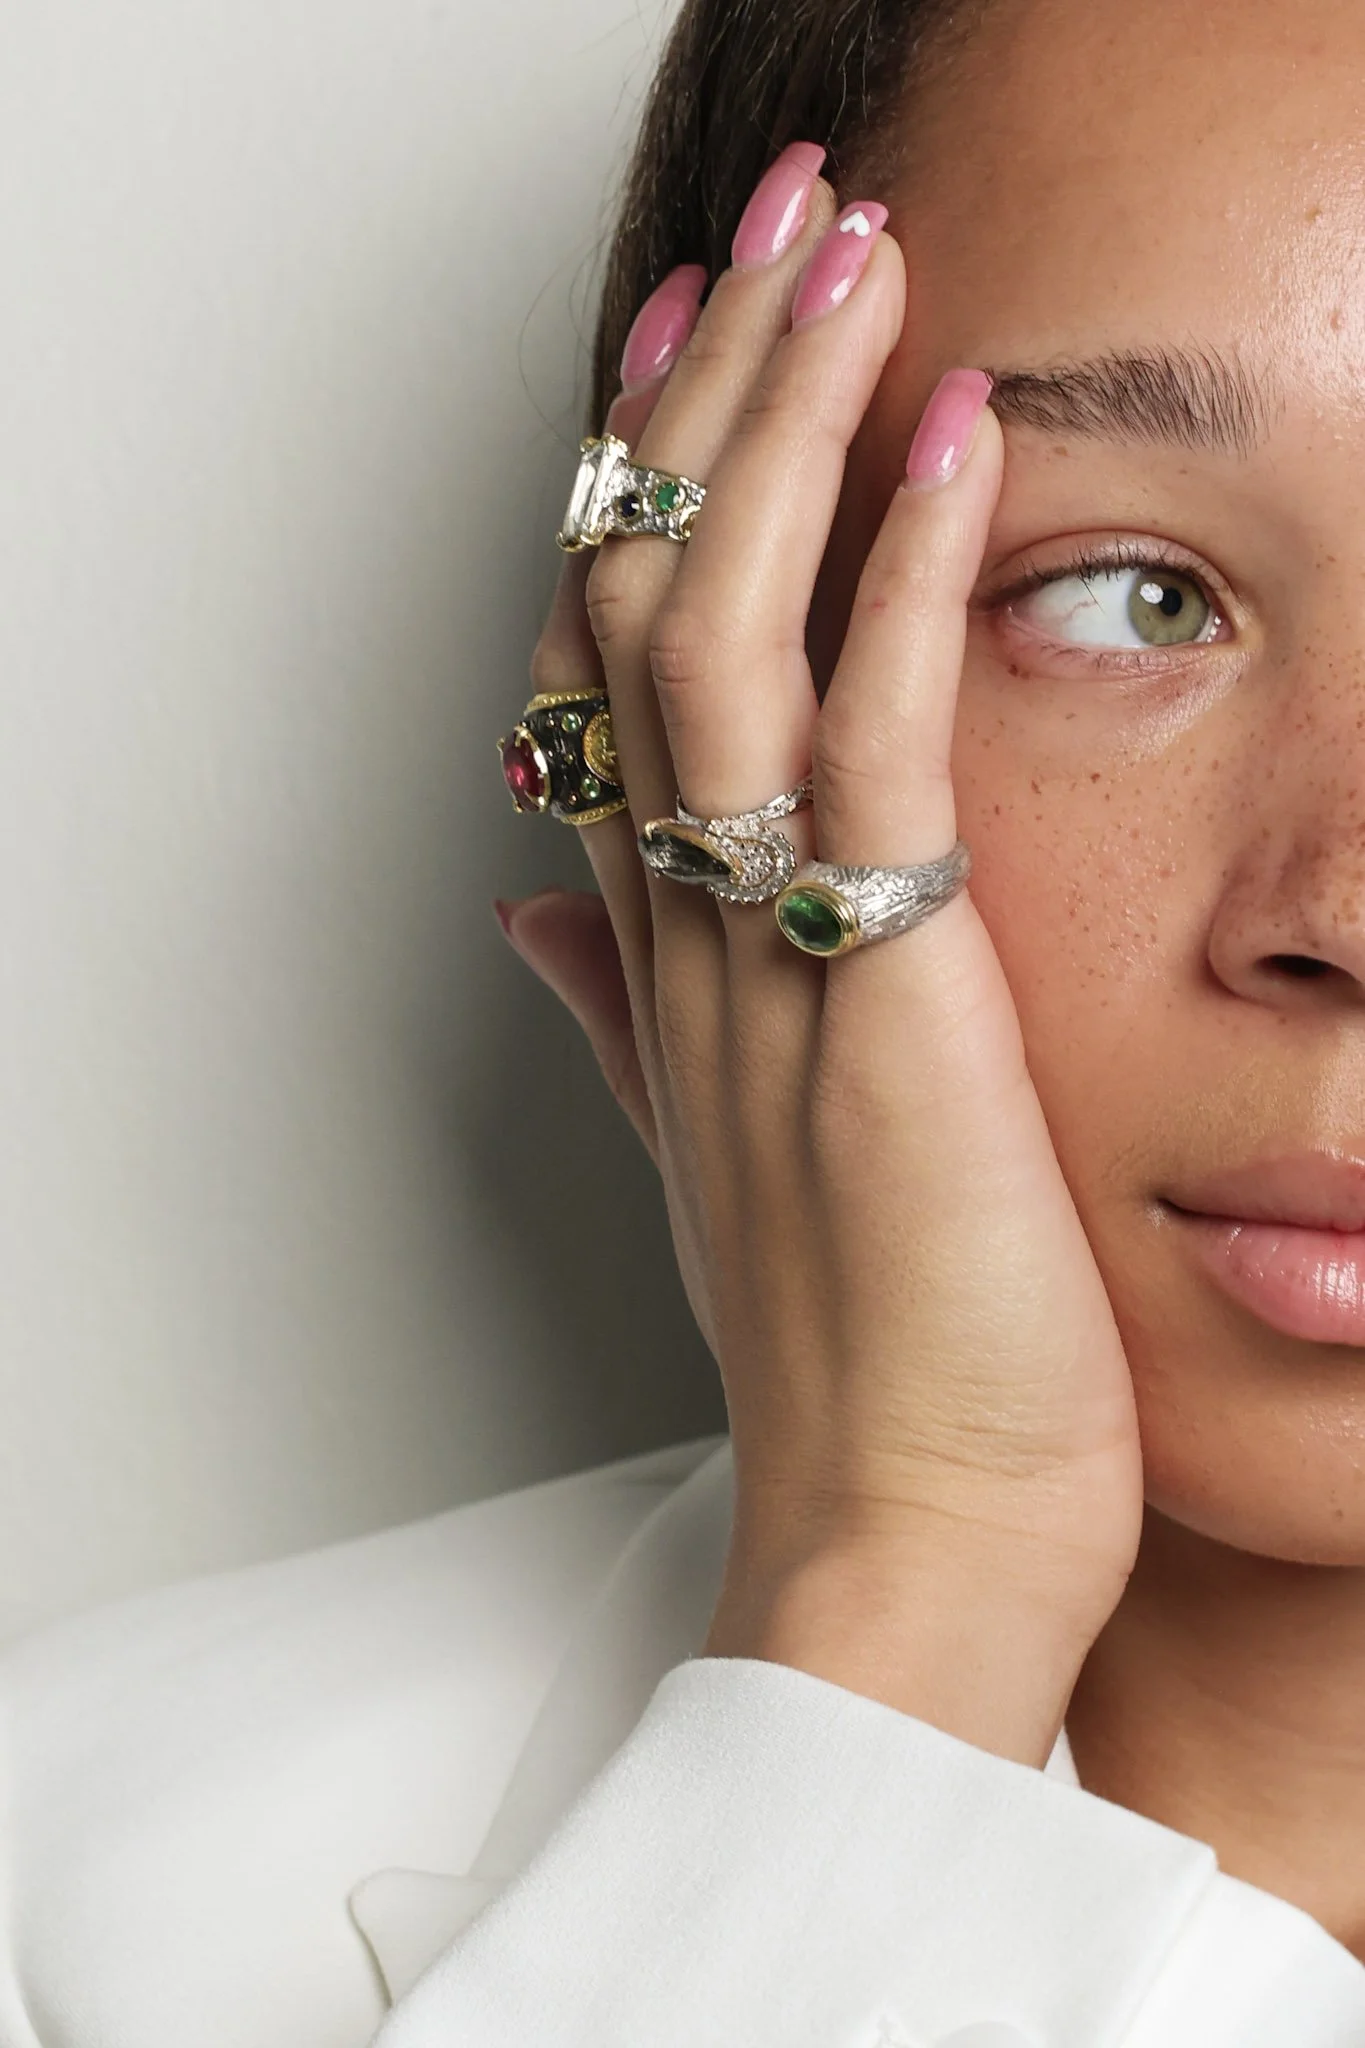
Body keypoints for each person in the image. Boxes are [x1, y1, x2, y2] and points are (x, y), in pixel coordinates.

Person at [6, 0, 1365, 2040]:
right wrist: (902, 1602)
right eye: (1124, 596)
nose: (1342, 911)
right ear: (701, 677)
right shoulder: (58, 1883)